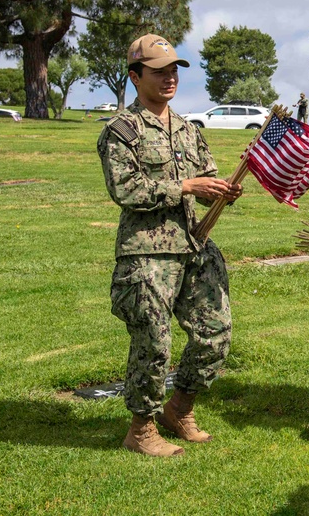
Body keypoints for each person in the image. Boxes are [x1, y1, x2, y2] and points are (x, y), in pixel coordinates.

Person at [98, 34, 243, 457]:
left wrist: (218, 190)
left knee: (215, 333)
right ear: (135, 76)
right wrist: (184, 185)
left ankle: (179, 408)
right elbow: (125, 189)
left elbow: (205, 181)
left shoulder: (187, 129)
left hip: (194, 247)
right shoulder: (120, 130)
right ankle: (141, 429)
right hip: (147, 253)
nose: (169, 79)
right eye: (159, 71)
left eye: (174, 70)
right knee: (153, 342)